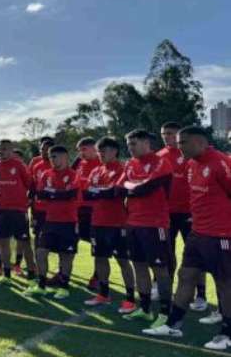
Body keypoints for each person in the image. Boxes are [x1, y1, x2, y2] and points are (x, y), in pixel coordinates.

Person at [144, 126, 231, 350]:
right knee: (186, 275)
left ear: (200, 143)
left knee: (224, 283)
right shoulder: (192, 163)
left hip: (220, 235)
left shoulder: (220, 162)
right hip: (198, 233)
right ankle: (174, 324)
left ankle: (226, 333)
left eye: (183, 142)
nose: (178, 146)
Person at [117, 129, 174, 329]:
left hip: (155, 224)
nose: (129, 148)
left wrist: (133, 187)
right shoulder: (130, 164)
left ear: (145, 143)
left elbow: (147, 187)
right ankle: (146, 309)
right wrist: (135, 186)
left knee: (160, 269)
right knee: (139, 265)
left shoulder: (160, 162)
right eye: (128, 144)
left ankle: (167, 313)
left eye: (133, 144)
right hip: (133, 223)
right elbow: (119, 188)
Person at [82, 137, 137, 313]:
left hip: (118, 223)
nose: (101, 155)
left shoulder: (122, 168)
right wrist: (102, 192)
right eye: (99, 152)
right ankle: (103, 294)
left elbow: (114, 193)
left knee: (123, 261)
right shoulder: (96, 171)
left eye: (103, 151)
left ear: (114, 151)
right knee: (100, 258)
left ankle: (130, 298)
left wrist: (100, 192)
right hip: (97, 222)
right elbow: (87, 194)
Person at [157, 122, 204, 309]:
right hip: (166, 214)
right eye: (163, 133)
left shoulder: (191, 155)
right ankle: (163, 288)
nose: (166, 136)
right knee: (166, 252)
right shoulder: (159, 156)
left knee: (196, 255)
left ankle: (200, 295)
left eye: (170, 133)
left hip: (190, 213)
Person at [25, 145, 78, 300]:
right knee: (41, 252)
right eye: (50, 156)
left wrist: (53, 193)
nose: (51, 159)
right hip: (49, 220)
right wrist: (58, 193)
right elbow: (41, 193)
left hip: (68, 221)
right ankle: (41, 285)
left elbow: (70, 194)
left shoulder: (74, 174)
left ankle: (64, 286)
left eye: (55, 156)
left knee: (65, 256)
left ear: (65, 157)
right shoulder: (46, 174)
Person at [0, 140, 36, 284]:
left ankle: (31, 274)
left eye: (4, 149)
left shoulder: (19, 166)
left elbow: (30, 184)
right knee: (3, 243)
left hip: (18, 210)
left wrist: (26, 202)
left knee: (24, 242)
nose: (1, 152)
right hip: (1, 210)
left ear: (11, 150)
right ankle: (6, 275)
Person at [75, 137, 102, 290]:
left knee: (95, 243)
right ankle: (62, 272)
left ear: (94, 148)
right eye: (79, 150)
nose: (81, 153)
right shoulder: (79, 164)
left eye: (84, 149)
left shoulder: (101, 162)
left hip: (95, 210)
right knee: (70, 240)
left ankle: (97, 276)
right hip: (78, 210)